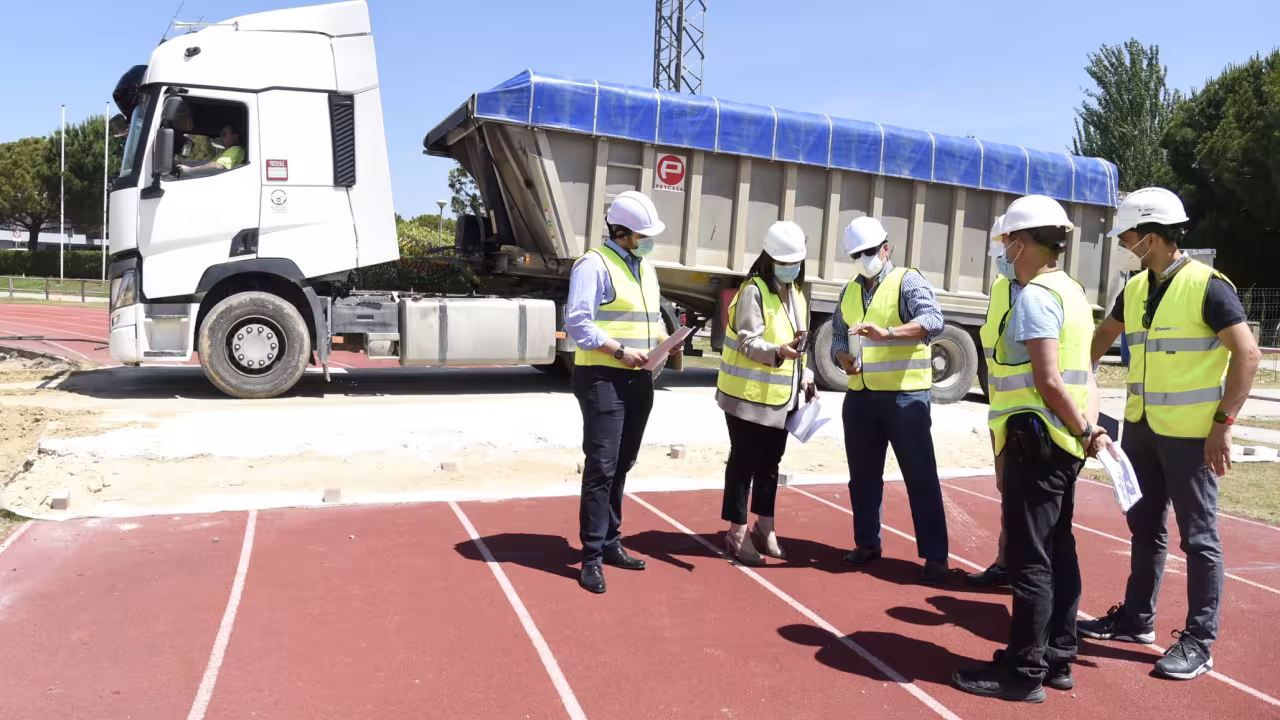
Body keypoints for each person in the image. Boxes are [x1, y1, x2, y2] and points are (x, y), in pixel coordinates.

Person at [1078, 187, 1261, 680]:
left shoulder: (1208, 286)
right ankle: (1137, 620)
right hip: (1141, 428)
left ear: (1152, 237)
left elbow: (1248, 355)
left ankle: (1200, 642)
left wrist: (1223, 425)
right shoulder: (1136, 288)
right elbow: (1099, 340)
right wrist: (1082, 378)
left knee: (1199, 539)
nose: (1123, 244)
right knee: (1144, 527)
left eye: (1128, 236)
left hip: (1191, 436)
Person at [951, 194, 1109, 703]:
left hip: (1037, 444)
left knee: (1031, 561)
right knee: (1060, 551)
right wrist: (1088, 430)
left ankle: (1024, 673)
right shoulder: (1073, 292)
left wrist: (1087, 429)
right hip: (1062, 444)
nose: (1002, 250)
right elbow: (1086, 373)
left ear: (1019, 243)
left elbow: (1048, 379)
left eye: (1005, 241)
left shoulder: (1037, 296)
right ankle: (1057, 657)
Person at [565, 190, 682, 594]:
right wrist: (618, 350)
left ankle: (611, 541)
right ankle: (592, 555)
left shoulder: (645, 267)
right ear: (621, 232)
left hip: (639, 378)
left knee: (623, 462)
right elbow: (578, 324)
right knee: (602, 465)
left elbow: (646, 318)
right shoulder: (593, 265)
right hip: (602, 377)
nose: (649, 240)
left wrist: (668, 339)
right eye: (643, 234)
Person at [832, 216, 950, 585]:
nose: (864, 258)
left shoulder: (907, 280)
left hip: (904, 398)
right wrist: (842, 358)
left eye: (869, 251)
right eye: (857, 254)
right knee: (863, 479)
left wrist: (889, 333)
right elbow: (838, 332)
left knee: (920, 478)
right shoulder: (850, 289)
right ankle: (867, 543)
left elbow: (934, 320)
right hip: (861, 397)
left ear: (886, 248)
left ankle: (935, 557)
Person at [715, 220, 815, 565]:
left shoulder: (798, 294)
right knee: (744, 463)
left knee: (771, 464)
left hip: (781, 399)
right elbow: (748, 342)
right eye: (784, 262)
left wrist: (806, 376)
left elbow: (799, 343)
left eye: (795, 262)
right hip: (746, 397)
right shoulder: (753, 291)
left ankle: (765, 528)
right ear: (769, 259)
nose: (791, 268)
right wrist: (778, 352)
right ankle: (737, 532)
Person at [967, 213, 1012, 588]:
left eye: (1003, 248)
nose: (1000, 258)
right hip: (1003, 410)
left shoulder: (1056, 291)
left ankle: (1031, 574)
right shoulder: (1001, 288)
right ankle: (1006, 563)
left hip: (1041, 417)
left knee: (1039, 508)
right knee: (1007, 492)